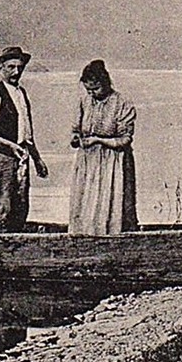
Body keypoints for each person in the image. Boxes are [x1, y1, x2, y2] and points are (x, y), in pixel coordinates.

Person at [0, 45, 49, 232]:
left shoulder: (21, 93)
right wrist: (9, 146)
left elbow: (27, 133)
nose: (16, 72)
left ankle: (14, 242)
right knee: (1, 203)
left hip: (21, 156)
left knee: (20, 203)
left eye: (20, 67)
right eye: (11, 67)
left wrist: (37, 159)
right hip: (0, 158)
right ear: (1, 67)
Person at [68, 59, 138, 235]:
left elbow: (125, 139)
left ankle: (112, 236)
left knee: (111, 202)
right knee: (86, 202)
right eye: (88, 89)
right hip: (88, 162)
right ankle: (85, 235)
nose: (92, 93)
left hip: (113, 163)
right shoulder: (84, 102)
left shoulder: (122, 104)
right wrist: (76, 139)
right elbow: (76, 129)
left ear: (106, 82)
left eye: (96, 88)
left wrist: (98, 140)